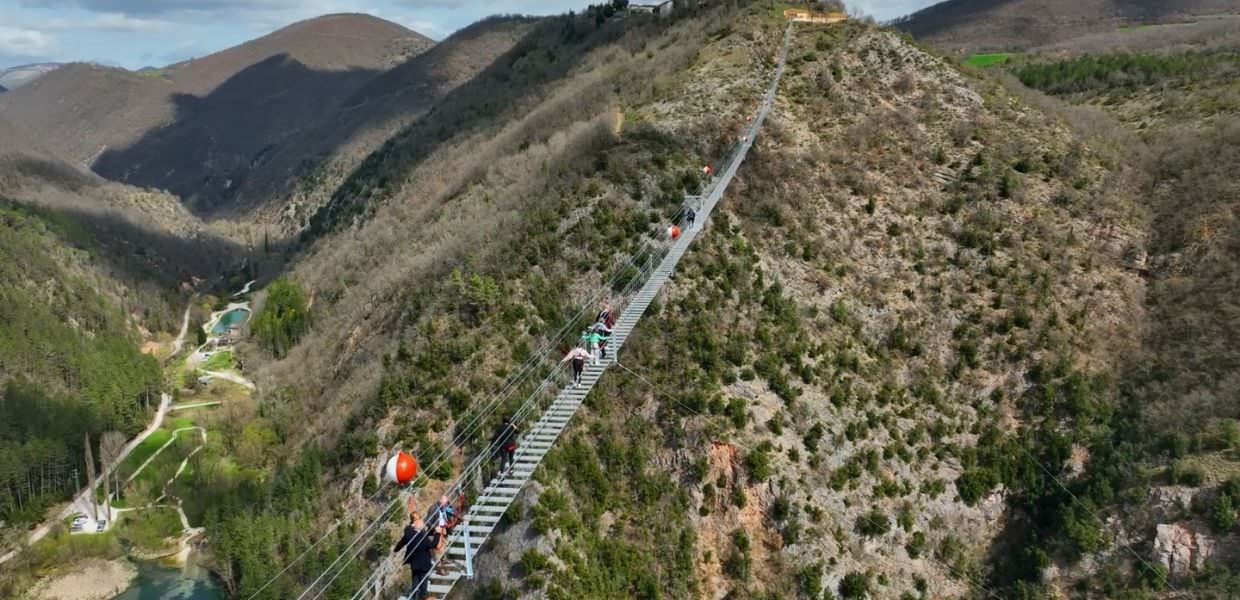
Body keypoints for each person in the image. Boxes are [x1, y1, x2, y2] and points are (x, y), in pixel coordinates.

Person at [393, 512, 441, 600]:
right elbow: (433, 545)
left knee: (415, 579)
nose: (423, 525)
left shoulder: (408, 533)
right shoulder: (421, 536)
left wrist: (396, 549)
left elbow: (401, 543)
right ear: (416, 523)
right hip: (424, 563)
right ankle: (423, 597)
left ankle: (414, 597)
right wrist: (438, 533)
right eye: (421, 523)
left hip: (414, 562)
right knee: (423, 581)